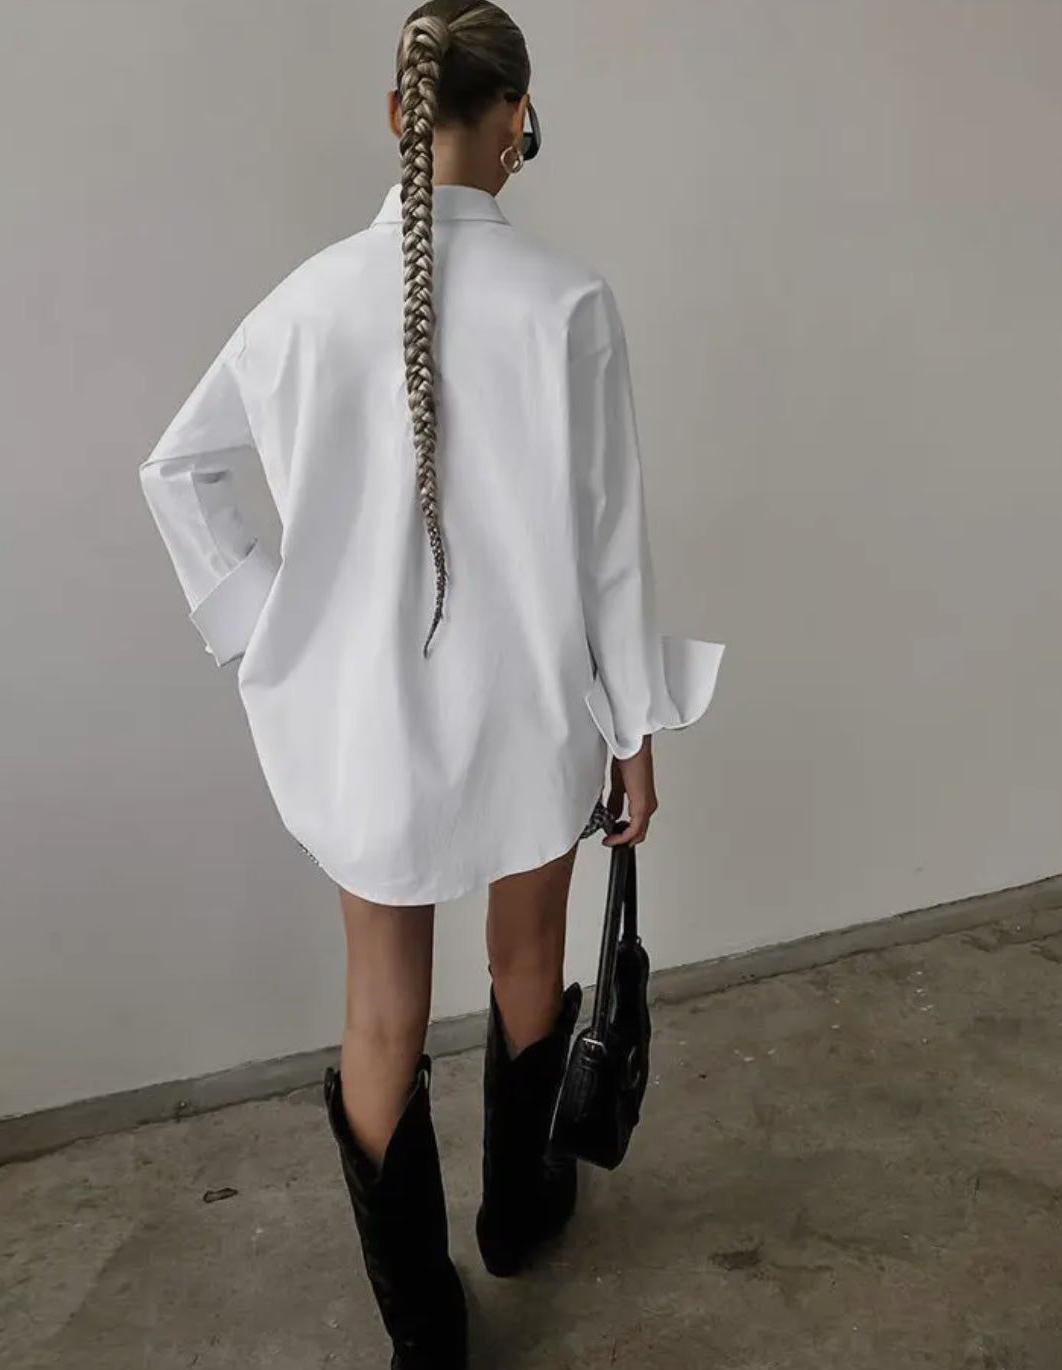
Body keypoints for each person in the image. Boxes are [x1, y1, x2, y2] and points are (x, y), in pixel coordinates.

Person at [139, 2, 723, 1364]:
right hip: (536, 705)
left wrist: (267, 628)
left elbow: (179, 472)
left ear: (397, 116)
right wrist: (635, 731)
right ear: (515, 116)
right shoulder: (568, 303)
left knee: (379, 1004)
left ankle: (422, 1326)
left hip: (367, 727)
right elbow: (612, 547)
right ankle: (520, 1213)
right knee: (526, 957)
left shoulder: (304, 304)